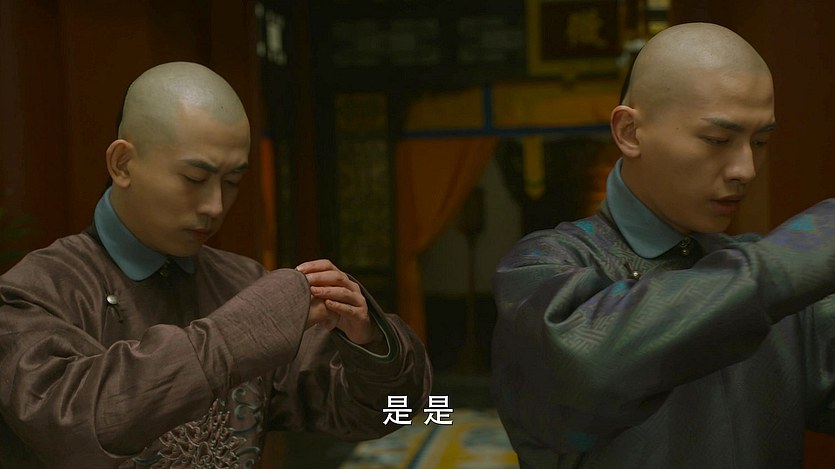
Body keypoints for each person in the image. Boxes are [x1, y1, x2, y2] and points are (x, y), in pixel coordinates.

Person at [0, 62, 431, 468]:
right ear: (123, 164)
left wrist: (368, 340)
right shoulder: (34, 294)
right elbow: (71, 427)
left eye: (232, 182)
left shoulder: (241, 282)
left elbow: (386, 413)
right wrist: (238, 336)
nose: (215, 206)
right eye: (195, 179)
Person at [491, 22, 834, 468]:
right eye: (718, 140)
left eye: (761, 141)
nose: (746, 169)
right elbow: (587, 365)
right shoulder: (544, 266)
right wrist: (809, 246)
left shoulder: (773, 278)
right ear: (630, 132)